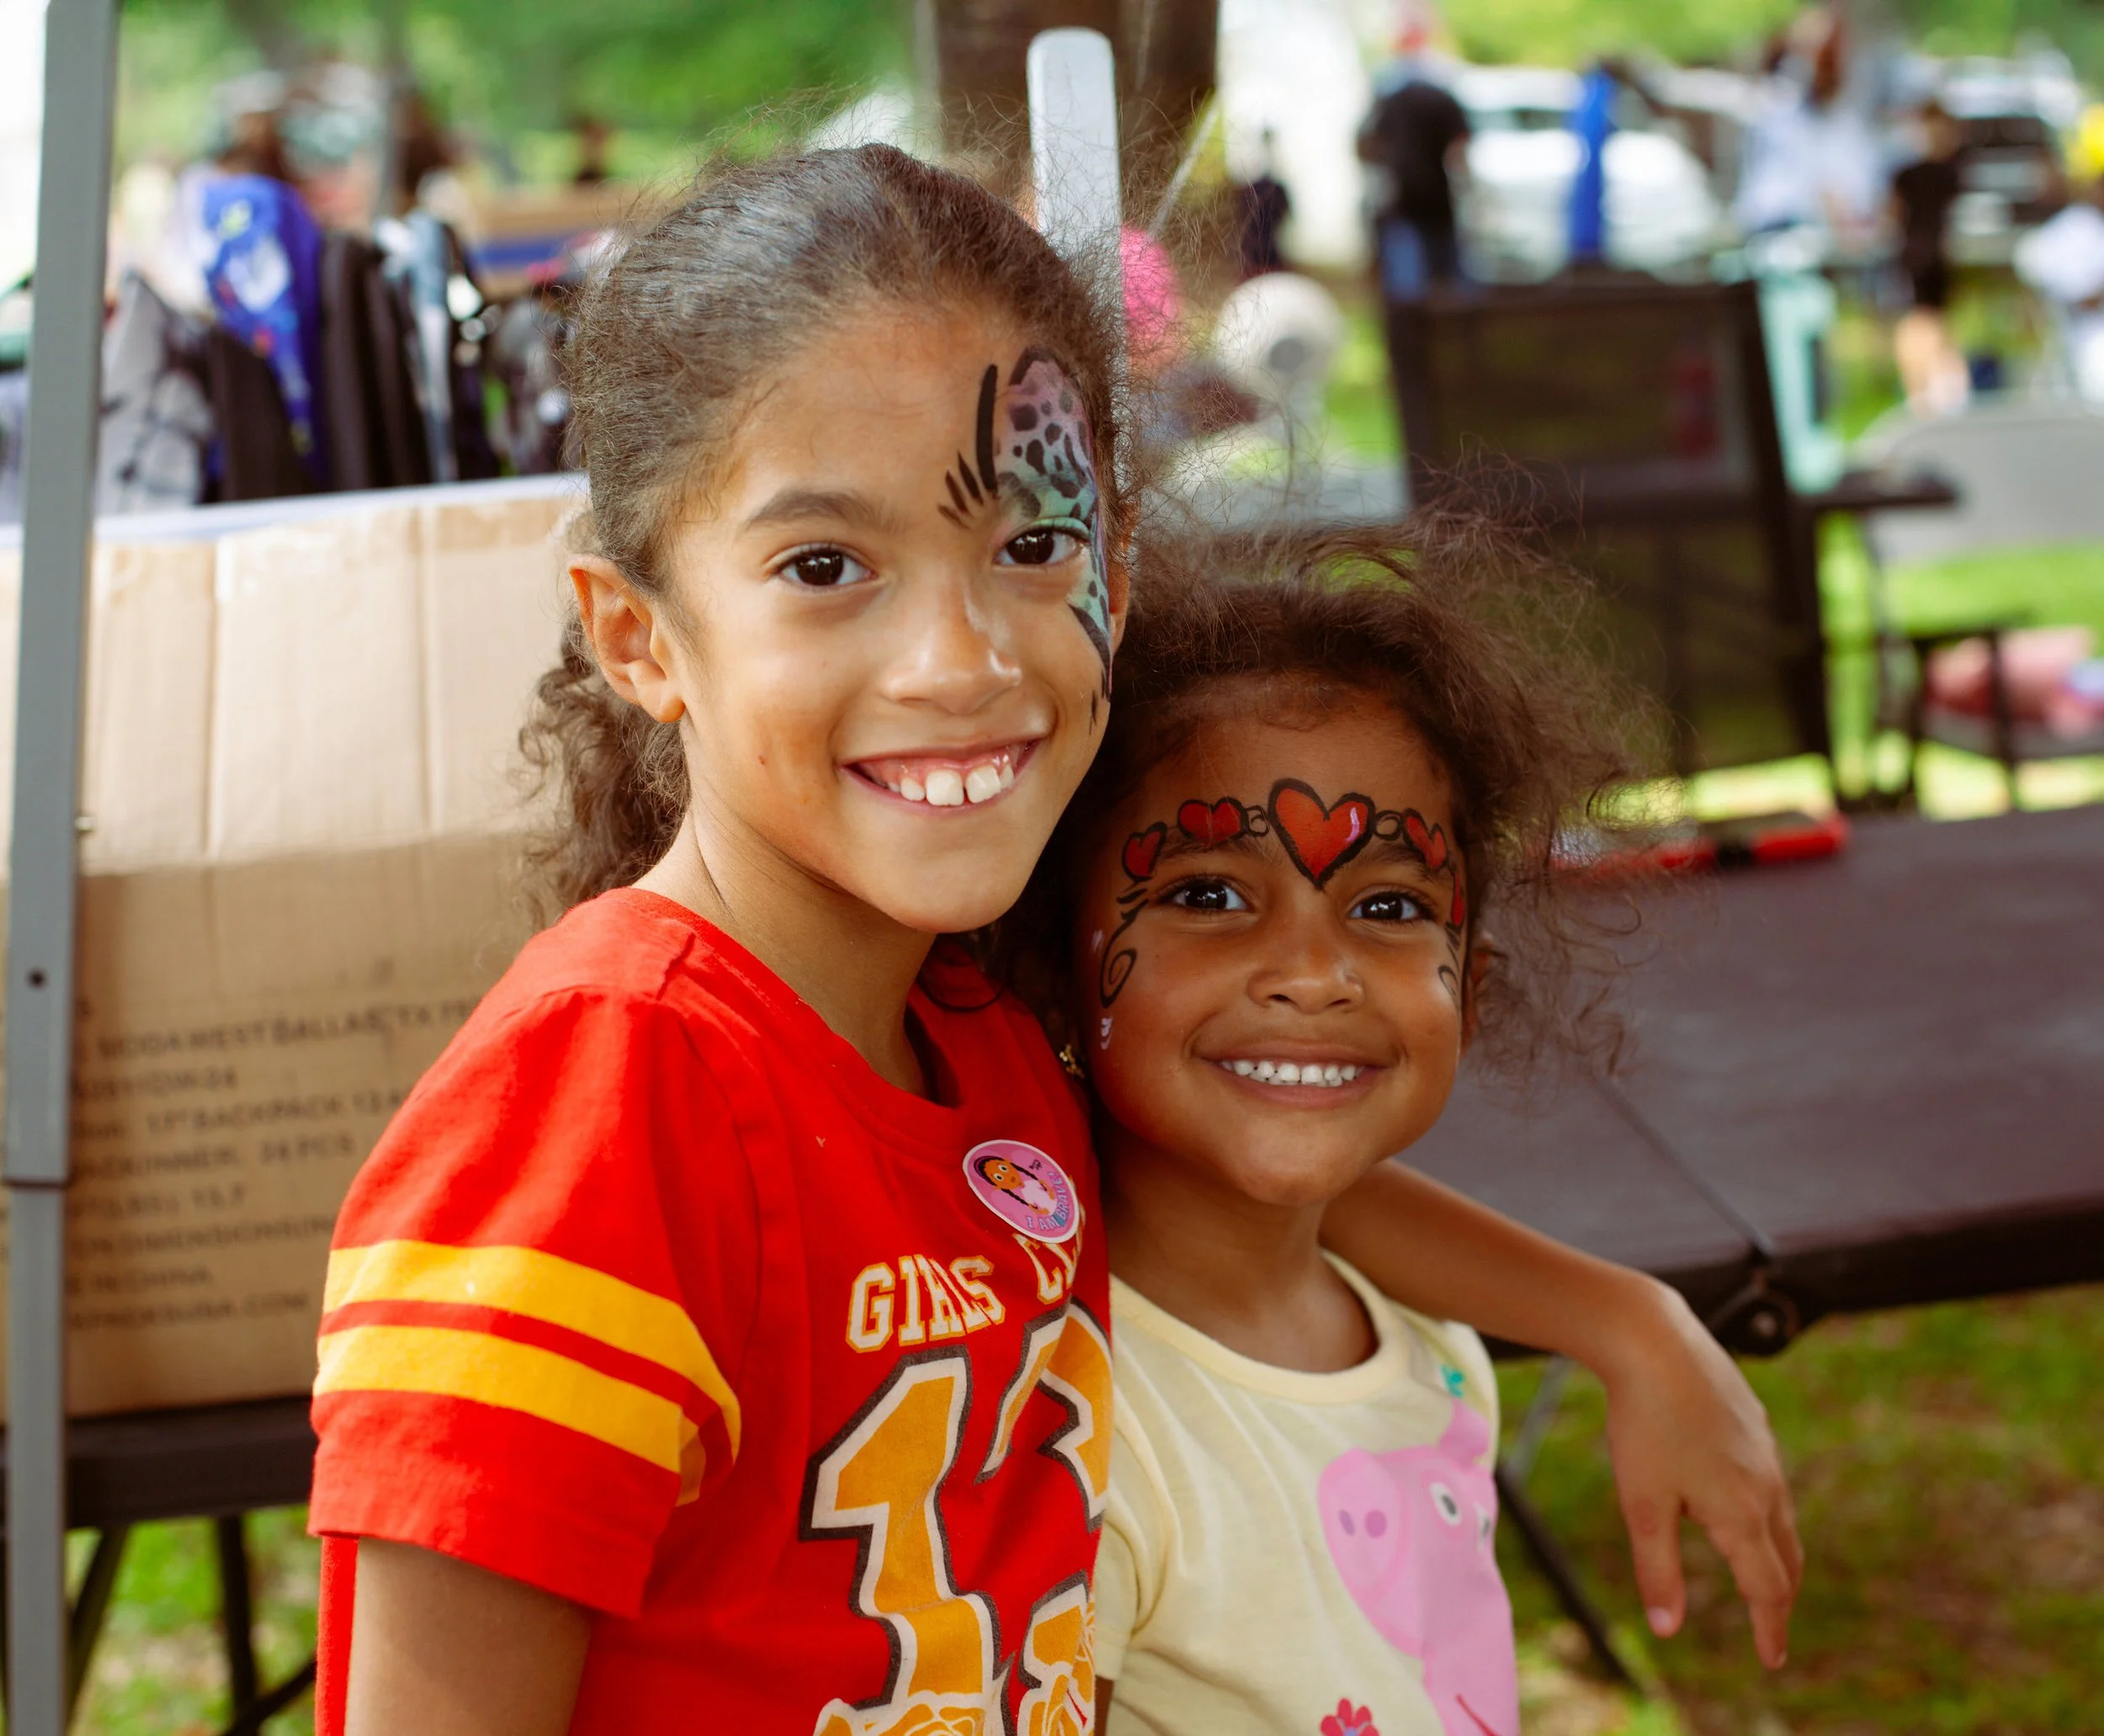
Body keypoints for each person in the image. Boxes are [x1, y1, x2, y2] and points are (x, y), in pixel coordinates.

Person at [306, 145, 1796, 1735]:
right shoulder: (604, 1094)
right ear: (638, 635)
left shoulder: (984, 1025)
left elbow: (1264, 1175)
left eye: (1031, 549)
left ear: (1124, 567)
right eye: (826, 567)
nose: (957, 660)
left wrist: (1621, 1317)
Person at [1001, 524, 1801, 1731]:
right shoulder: (1080, 1446)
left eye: (1387, 902)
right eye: (1209, 893)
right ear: (1057, 970)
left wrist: (1631, 1322)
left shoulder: (1431, 1350)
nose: (1314, 972)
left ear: (1467, 991)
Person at [1358, 68, 1471, 299]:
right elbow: (1459, 153)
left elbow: (1365, 146)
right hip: (1433, 205)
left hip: (1404, 205)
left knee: (1408, 289)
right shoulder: (1443, 100)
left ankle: (1412, 330)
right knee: (1450, 286)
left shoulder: (1389, 103)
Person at [1890, 98, 1971, 416]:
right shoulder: (1917, 174)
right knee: (1922, 323)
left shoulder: (1948, 172)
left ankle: (1933, 392)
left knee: (1928, 322)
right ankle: (1925, 394)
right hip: (1920, 257)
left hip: (1929, 256)